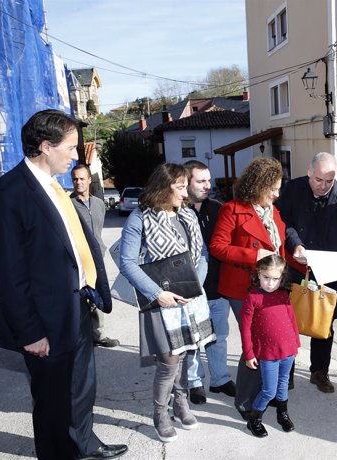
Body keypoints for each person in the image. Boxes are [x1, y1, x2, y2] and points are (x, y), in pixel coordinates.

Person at [0, 109, 127, 459]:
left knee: (80, 389)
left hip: (77, 306)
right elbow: (7, 274)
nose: (76, 156)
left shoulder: (53, 188)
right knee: (52, 403)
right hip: (43, 321)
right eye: (71, 147)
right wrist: (30, 331)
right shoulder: (10, 193)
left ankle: (84, 444)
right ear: (46, 147)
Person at [118, 163, 216, 443]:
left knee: (184, 355)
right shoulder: (140, 217)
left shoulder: (187, 215)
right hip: (161, 301)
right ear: (164, 186)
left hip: (189, 298)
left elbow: (202, 255)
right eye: (181, 187)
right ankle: (160, 413)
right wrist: (157, 294)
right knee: (168, 361)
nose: (186, 194)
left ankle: (181, 403)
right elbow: (127, 263)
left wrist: (195, 285)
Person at [209, 156, 290, 418]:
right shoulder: (231, 209)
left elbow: (280, 247)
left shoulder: (273, 212)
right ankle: (246, 402)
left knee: (274, 339)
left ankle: (271, 391)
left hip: (272, 286)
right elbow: (217, 248)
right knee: (255, 342)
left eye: (279, 188)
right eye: (273, 188)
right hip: (242, 286)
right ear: (258, 185)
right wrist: (252, 256)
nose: (277, 194)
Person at [276, 152, 337, 394]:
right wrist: (295, 243)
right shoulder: (292, 189)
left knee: (324, 324)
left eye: (329, 181)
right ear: (309, 172)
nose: (324, 186)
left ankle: (320, 372)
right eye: (319, 180)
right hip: (296, 267)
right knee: (288, 321)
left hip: (329, 270)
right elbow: (281, 222)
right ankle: (286, 372)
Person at [182, 160, 235, 405]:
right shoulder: (177, 212)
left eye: (208, 180)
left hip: (217, 288)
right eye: (201, 181)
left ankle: (220, 379)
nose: (207, 185)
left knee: (218, 336)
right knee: (192, 340)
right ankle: (195, 382)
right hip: (189, 291)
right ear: (187, 181)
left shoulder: (218, 209)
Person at [240, 254, 300, 437]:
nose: (270, 283)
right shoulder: (253, 298)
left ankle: (282, 413)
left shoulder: (283, 295)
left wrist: (296, 344)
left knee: (283, 385)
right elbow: (245, 328)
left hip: (288, 350)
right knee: (269, 390)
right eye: (266, 277)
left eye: (275, 279)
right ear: (258, 273)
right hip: (268, 353)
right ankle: (254, 418)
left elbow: (291, 320)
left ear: (282, 278)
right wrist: (249, 354)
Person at [70, 164, 119, 348]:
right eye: (75, 179)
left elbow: (98, 229)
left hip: (97, 258)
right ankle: (81, 335)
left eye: (82, 178)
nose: (78, 182)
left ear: (90, 180)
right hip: (78, 259)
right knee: (80, 296)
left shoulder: (99, 204)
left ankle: (98, 334)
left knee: (98, 293)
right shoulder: (68, 205)